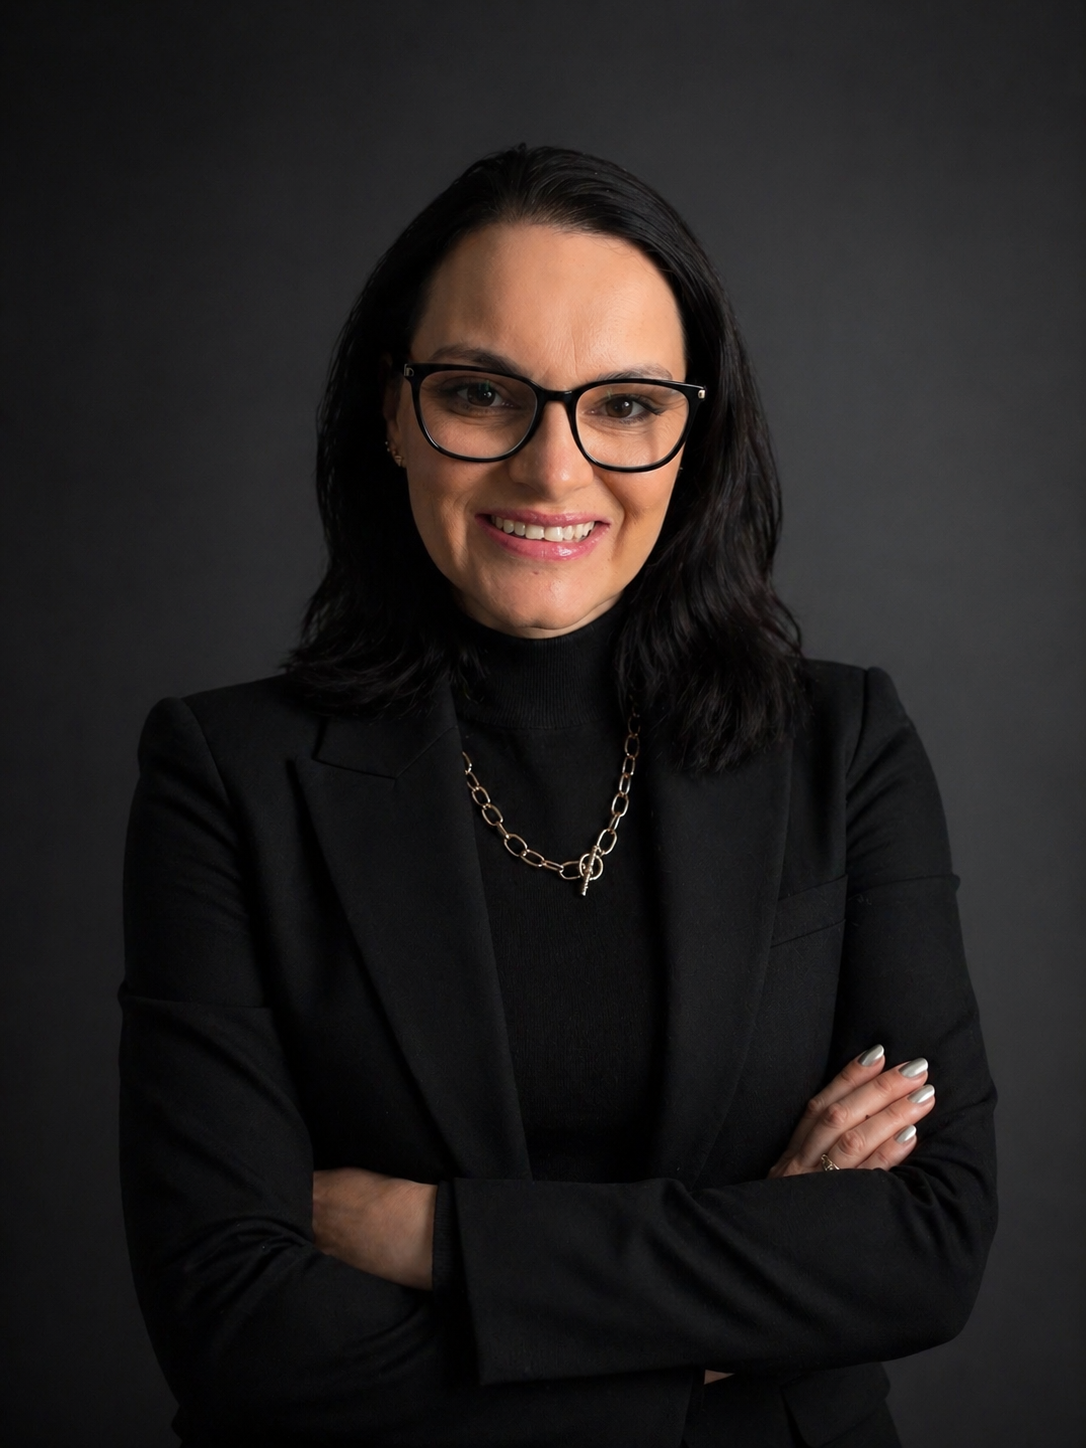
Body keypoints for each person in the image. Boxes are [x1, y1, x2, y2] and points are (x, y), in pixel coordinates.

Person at [119, 145, 997, 1448]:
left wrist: (436, 1236)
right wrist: (720, 1332)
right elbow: (237, 1321)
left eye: (626, 404)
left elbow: (923, 1246)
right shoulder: (227, 772)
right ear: (393, 410)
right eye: (482, 394)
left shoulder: (841, 741)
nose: (552, 468)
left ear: (693, 433)